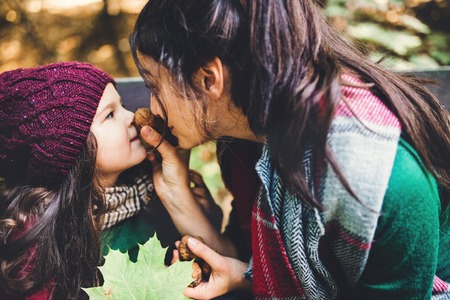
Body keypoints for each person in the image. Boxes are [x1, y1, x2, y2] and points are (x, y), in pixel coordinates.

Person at [130, 0, 450, 299]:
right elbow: (247, 260)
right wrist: (174, 191)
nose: (152, 108)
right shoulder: (244, 138)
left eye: (154, 86)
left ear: (208, 79)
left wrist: (245, 275)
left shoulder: (381, 179)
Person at [0, 62, 218, 299]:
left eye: (122, 105)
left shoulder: (145, 192)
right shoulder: (38, 242)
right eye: (111, 114)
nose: (131, 116)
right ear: (70, 151)